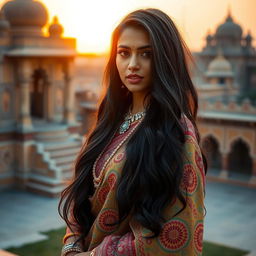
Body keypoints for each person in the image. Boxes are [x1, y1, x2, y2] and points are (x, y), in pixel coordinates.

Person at [59, 8, 207, 256]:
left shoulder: (176, 134)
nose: (133, 65)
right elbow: (81, 197)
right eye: (124, 53)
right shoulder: (109, 121)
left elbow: (176, 237)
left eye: (146, 54)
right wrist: (71, 245)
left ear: (165, 59)